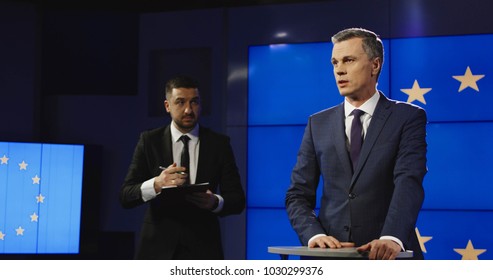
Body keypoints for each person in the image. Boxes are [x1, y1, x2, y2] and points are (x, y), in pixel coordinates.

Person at [285, 28, 427, 260]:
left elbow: (408, 182)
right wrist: (313, 235)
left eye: (348, 60)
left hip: (387, 257)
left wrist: (391, 237)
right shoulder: (317, 123)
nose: (339, 69)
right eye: (334, 62)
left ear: (375, 65)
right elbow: (297, 194)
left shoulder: (408, 118)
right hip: (329, 258)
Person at [120, 75, 245, 259]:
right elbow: (125, 196)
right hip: (157, 250)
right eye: (180, 102)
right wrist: (156, 184)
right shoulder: (149, 141)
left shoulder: (219, 144)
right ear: (167, 106)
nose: (188, 110)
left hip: (204, 249)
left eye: (194, 102)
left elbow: (237, 199)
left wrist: (215, 202)